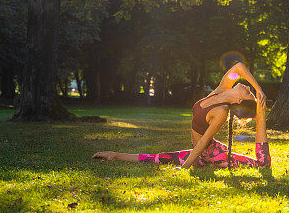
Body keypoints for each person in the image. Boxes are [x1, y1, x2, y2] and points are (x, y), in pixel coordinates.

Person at [91, 61, 271, 169]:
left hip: (211, 155)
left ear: (239, 101)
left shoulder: (221, 112)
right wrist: (258, 88)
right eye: (249, 90)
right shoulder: (219, 91)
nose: (247, 88)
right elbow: (238, 67)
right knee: (157, 157)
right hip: (202, 154)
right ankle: (113, 155)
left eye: (249, 93)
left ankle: (261, 119)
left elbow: (202, 142)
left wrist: (185, 167)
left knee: (262, 165)